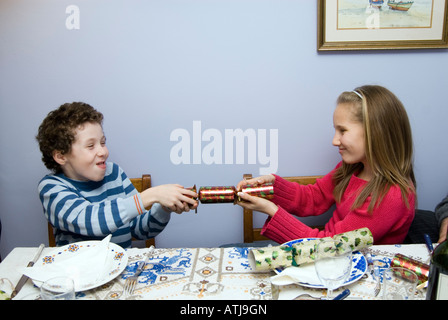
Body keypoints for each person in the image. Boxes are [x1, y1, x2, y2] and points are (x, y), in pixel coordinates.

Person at [236, 85, 416, 245]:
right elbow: (313, 198)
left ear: (375, 133)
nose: (335, 141)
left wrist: (272, 211)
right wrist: (271, 186)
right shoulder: (351, 169)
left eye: (343, 131)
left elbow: (328, 247)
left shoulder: (391, 196)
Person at [36, 102, 198, 248]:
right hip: (79, 278)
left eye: (103, 142)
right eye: (91, 146)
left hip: (121, 274)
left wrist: (163, 208)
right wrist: (151, 195)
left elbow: (140, 230)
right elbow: (92, 221)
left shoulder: (114, 174)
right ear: (61, 156)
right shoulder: (52, 188)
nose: (103, 151)